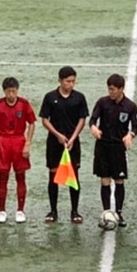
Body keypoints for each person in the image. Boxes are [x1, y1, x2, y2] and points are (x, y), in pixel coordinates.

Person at [40, 66, 89, 223]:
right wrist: (58, 135)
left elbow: (82, 119)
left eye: (73, 81)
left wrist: (73, 138)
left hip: (72, 142)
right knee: (53, 174)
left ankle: (75, 211)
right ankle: (53, 210)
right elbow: (45, 119)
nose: (71, 84)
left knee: (73, 175)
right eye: (68, 81)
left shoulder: (79, 98)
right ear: (60, 81)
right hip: (55, 142)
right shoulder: (50, 97)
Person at [90, 73, 137, 226]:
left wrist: (130, 135)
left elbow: (135, 126)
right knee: (104, 180)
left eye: (113, 89)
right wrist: (93, 128)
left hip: (118, 148)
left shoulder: (130, 106)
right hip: (103, 147)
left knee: (119, 180)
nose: (110, 92)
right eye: (109, 89)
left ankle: (118, 213)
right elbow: (93, 119)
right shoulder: (102, 102)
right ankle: (106, 212)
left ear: (121, 89)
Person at [0, 77, 36, 223]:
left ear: (17, 90)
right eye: (8, 92)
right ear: (4, 91)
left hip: (19, 141)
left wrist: (27, 143)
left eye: (13, 91)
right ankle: (2, 211)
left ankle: (20, 210)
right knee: (3, 177)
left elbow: (32, 123)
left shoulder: (24, 104)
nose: (11, 95)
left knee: (20, 176)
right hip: (3, 141)